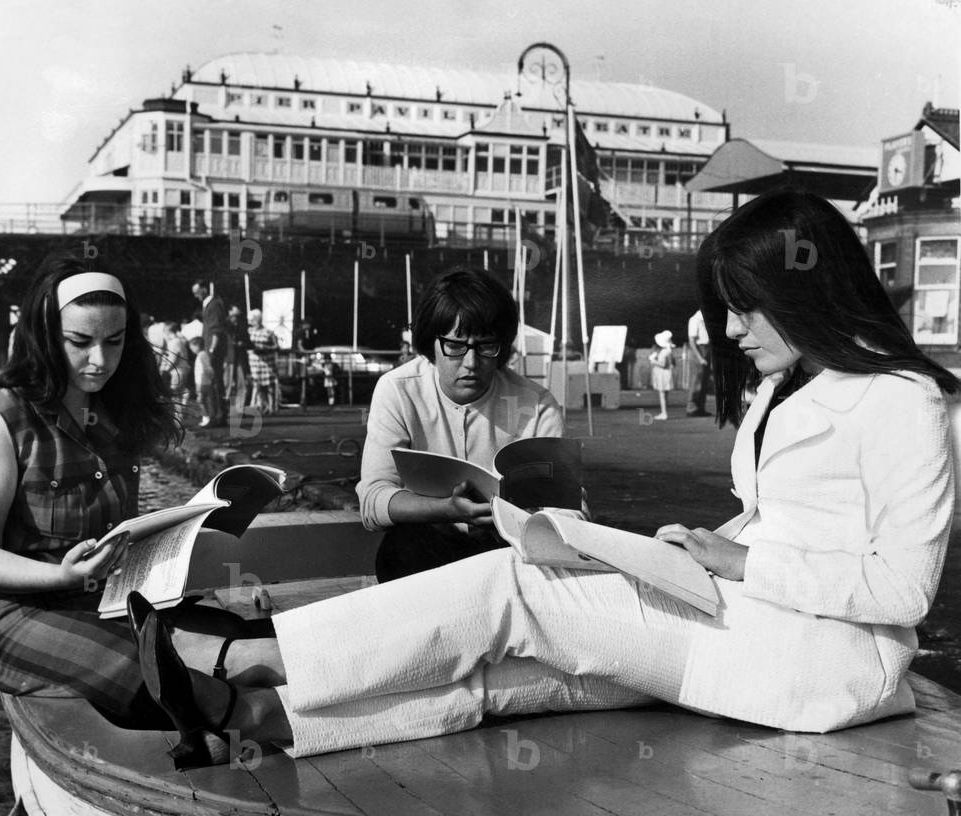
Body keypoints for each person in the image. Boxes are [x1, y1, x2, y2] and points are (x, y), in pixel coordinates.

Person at [130, 189, 959, 764]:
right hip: (742, 616)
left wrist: (742, 561)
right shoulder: (789, 382)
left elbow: (903, 592)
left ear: (806, 289)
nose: (730, 330)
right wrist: (692, 545)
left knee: (508, 588)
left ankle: (248, 656)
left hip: (821, 661)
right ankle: (251, 722)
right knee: (511, 677)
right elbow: (779, 515)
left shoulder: (902, 400)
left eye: (746, 307)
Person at [0, 258, 184, 728]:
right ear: (44, 338)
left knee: (225, 641)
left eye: (114, 342)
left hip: (101, 596)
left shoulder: (117, 414)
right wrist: (61, 576)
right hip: (10, 611)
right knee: (174, 672)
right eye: (79, 342)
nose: (99, 360)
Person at [356, 267, 565, 582]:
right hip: (429, 546)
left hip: (509, 548)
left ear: (503, 347)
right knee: (402, 547)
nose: (471, 362)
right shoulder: (398, 389)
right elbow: (373, 500)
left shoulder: (537, 403)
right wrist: (447, 509)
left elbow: (568, 507)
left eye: (486, 346)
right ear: (431, 343)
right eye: (455, 345)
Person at [192, 279, 227, 425]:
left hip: (212, 350)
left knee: (215, 382)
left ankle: (218, 415)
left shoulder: (214, 304)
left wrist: (212, 350)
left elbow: (216, 330)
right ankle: (215, 415)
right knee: (212, 382)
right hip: (209, 349)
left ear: (204, 289)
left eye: (197, 292)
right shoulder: (209, 304)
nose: (195, 295)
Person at [247, 309, 281, 414]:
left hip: (267, 362)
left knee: (270, 385)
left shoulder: (268, 332)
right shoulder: (249, 332)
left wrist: (265, 348)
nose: (251, 322)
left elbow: (276, 346)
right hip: (254, 362)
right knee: (257, 385)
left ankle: (272, 407)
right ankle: (258, 405)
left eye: (252, 320)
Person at [685, 309, 712, 416]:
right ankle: (691, 408)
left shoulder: (705, 320)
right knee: (696, 381)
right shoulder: (694, 320)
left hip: (706, 348)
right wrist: (700, 358)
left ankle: (700, 408)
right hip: (698, 350)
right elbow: (691, 342)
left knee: (704, 381)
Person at [225, 305, 252, 410]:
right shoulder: (225, 325)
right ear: (230, 312)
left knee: (241, 384)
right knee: (227, 384)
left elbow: (248, 342)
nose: (236, 316)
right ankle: (227, 406)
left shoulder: (242, 325)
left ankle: (238, 408)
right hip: (228, 359)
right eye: (234, 314)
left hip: (240, 358)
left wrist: (243, 343)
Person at [189, 336, 218, 428]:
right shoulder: (202, 355)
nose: (191, 350)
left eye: (192, 347)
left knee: (201, 400)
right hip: (202, 382)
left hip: (203, 382)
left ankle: (207, 418)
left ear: (196, 345)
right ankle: (207, 417)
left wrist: (210, 377)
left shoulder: (202, 355)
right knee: (204, 400)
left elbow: (207, 368)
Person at [648, 329, 675, 420]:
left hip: (662, 374)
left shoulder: (664, 352)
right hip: (666, 374)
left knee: (662, 394)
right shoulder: (669, 350)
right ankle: (664, 412)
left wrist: (653, 361)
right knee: (664, 394)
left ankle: (664, 413)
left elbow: (663, 364)